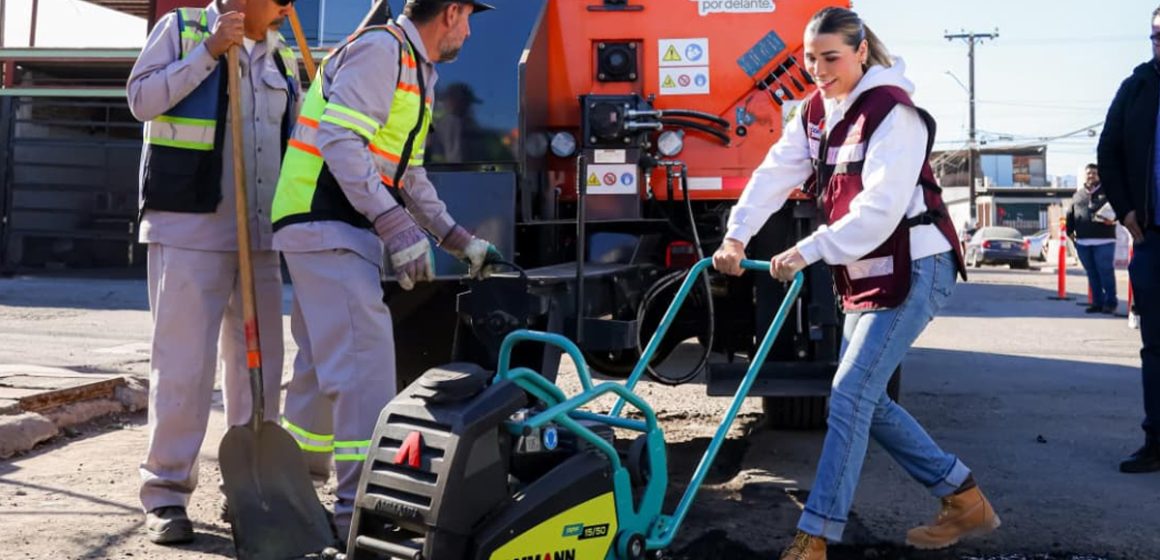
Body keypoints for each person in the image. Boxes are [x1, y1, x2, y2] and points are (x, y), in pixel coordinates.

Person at [712, 8, 998, 558]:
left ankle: (815, 536)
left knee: (849, 394)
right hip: (868, 271)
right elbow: (774, 174)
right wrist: (737, 236)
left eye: (831, 58)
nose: (818, 70)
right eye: (810, 59)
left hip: (917, 265)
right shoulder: (815, 112)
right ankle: (963, 498)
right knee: (868, 399)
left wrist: (807, 250)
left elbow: (880, 210)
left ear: (861, 51)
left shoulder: (895, 112)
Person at [270, 0, 498, 543]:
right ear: (450, 12)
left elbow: (407, 173)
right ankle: (357, 511)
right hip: (325, 217)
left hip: (324, 221)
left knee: (321, 364)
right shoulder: (382, 52)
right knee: (362, 363)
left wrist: (456, 239)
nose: (469, 32)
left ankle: (294, 489)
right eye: (469, 17)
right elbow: (339, 141)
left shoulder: (415, 69)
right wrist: (394, 225)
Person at [126, 0, 301, 545]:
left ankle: (249, 490)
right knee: (183, 368)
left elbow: (298, 143)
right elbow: (141, 101)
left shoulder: (284, 58)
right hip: (189, 231)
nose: (286, 6)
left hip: (261, 238)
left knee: (261, 370)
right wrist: (207, 52)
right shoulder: (181, 30)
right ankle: (166, 494)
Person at [1096, 4, 1160, 474]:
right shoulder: (1136, 88)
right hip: (1153, 239)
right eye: (1156, 35)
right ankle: (1156, 441)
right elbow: (1109, 151)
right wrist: (1126, 209)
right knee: (1156, 346)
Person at [1067, 164, 1118, 314]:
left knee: (1105, 272)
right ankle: (1097, 302)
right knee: (1092, 273)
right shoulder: (1078, 194)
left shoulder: (1108, 191)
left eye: (1094, 173)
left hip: (1104, 241)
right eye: (1089, 173)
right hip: (1083, 241)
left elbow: (1119, 210)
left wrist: (1114, 219)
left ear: (1099, 175)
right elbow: (1070, 213)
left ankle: (1110, 302)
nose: (1091, 176)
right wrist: (1070, 232)